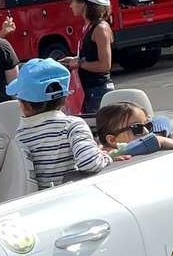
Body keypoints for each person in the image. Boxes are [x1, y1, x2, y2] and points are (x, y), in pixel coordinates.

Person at [8, 57, 107, 190]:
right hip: (73, 196)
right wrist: (106, 156)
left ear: (25, 106)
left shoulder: (21, 135)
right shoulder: (72, 125)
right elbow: (89, 162)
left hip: (43, 200)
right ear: (65, 99)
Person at [60, 0, 115, 113]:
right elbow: (91, 58)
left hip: (98, 92)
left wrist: (78, 63)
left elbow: (105, 65)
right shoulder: (89, 26)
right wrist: (75, 60)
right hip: (89, 91)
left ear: (83, 3)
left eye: (73, 1)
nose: (70, 5)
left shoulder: (100, 28)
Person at [95, 101, 173, 156]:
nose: (147, 131)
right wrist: (157, 140)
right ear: (112, 139)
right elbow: (132, 148)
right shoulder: (108, 155)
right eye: (137, 128)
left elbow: (162, 119)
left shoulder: (148, 135)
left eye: (148, 126)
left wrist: (156, 136)